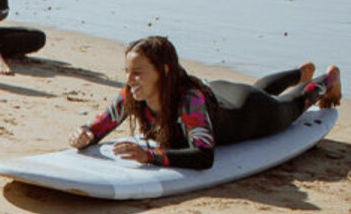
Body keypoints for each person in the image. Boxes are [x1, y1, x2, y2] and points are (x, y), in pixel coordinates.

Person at [70, 35, 340, 168]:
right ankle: (297, 73)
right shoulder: (132, 94)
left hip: (249, 112)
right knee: (257, 88)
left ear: (164, 71)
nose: (130, 79)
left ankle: (326, 78)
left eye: (138, 73)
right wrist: (86, 134)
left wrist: (150, 156)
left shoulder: (188, 101)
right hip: (220, 95)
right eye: (127, 72)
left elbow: (203, 155)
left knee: (291, 106)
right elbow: (100, 125)